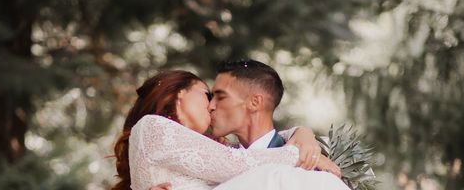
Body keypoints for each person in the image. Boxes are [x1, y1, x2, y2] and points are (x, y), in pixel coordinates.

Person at [114, 66, 349, 190]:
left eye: (217, 97)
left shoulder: (204, 148)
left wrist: (302, 134)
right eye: (207, 95)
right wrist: (302, 155)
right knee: (274, 177)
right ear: (180, 93)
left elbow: (243, 156)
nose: (211, 106)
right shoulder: (151, 127)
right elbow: (238, 163)